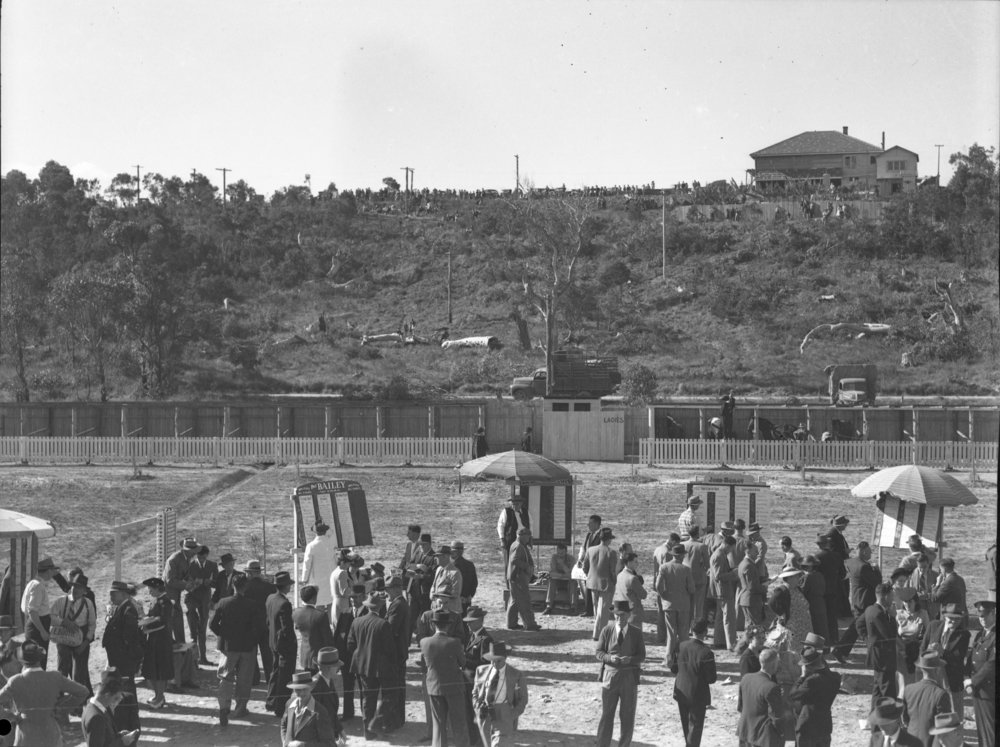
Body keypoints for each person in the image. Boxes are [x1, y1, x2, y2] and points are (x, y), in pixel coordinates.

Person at [0, 641, 89, 747]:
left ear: (22, 662)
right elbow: (83, 692)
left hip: (26, 735)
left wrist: (11, 716)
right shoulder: (55, 677)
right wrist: (61, 707)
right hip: (50, 732)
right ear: (40, 659)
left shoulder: (15, 681)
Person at [209, 571, 260, 725]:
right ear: (246, 587)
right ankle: (240, 708)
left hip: (227, 646)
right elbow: (258, 627)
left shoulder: (223, 602)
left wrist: (223, 636)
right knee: (244, 679)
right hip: (247, 647)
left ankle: (224, 707)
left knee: (225, 677)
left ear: (233, 586)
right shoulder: (252, 604)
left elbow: (212, 624)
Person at [595, 600, 646, 747]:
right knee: (607, 715)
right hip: (610, 677)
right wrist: (610, 658)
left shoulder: (636, 632)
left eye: (622, 615)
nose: (619, 618)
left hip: (629, 678)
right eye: (616, 615)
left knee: (628, 716)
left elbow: (641, 656)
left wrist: (630, 659)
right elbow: (599, 653)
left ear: (629, 615)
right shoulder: (607, 630)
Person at [347, 593, 395, 737]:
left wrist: (360, 653)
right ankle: (377, 724)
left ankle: (367, 729)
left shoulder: (357, 621)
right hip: (379, 666)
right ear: (380, 608)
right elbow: (389, 648)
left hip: (361, 664)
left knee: (367, 697)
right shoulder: (383, 624)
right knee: (388, 694)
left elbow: (350, 645)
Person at [421, 609, 470, 747]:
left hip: (434, 686)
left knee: (439, 724)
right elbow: (463, 662)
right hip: (454, 687)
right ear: (448, 625)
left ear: (432, 625)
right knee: (459, 722)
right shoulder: (454, 642)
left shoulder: (424, 642)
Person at [471, 642, 528, 747]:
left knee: (500, 744)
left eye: (499, 661)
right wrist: (477, 707)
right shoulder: (481, 670)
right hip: (484, 712)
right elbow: (475, 692)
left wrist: (512, 715)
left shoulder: (516, 675)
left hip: (504, 712)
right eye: (492, 661)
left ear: (505, 658)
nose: (495, 664)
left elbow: (523, 699)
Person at [51, 572, 97, 696]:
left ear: (84, 591)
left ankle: (77, 705)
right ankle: (59, 700)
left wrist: (86, 642)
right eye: (74, 586)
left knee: (79, 673)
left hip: (82, 640)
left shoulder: (88, 604)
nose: (76, 590)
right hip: (63, 637)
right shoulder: (61, 601)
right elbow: (51, 617)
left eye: (80, 588)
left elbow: (92, 624)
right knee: (62, 671)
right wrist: (63, 622)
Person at [673, 618, 716, 747]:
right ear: (705, 632)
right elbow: (711, 679)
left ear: (691, 630)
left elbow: (674, 668)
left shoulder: (680, 646)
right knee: (695, 729)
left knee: (686, 726)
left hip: (681, 691)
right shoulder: (707, 652)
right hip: (698, 695)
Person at [837, 541, 882, 662]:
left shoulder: (851, 562)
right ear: (863, 551)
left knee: (858, 628)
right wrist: (877, 570)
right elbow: (877, 582)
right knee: (860, 628)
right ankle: (840, 651)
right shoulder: (864, 567)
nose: (871, 554)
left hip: (857, 599)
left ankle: (841, 651)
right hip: (865, 601)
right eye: (869, 552)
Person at [921, 603, 970, 716]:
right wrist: (928, 653)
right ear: (944, 617)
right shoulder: (933, 626)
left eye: (957, 619)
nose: (954, 622)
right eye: (951, 618)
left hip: (951, 678)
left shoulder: (964, 635)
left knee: (954, 712)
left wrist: (943, 652)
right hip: (932, 676)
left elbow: (958, 658)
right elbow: (922, 648)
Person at [788, 643, 840, 747]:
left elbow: (793, 695)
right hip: (824, 725)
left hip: (807, 727)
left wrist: (802, 677)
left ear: (808, 666)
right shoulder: (836, 677)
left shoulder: (811, 681)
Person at [736, 647, 784, 747]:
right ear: (773, 664)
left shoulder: (746, 678)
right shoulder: (771, 687)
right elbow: (777, 717)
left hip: (745, 732)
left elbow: (740, 707)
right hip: (762, 738)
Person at [265, 570, 297, 718]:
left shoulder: (271, 598)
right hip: (283, 644)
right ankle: (281, 706)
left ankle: (271, 701)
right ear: (286, 587)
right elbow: (287, 629)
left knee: (275, 672)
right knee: (285, 675)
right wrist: (291, 644)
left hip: (272, 641)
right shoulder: (284, 604)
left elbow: (268, 620)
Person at [658, 544, 694, 671]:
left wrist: (664, 596)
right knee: (684, 633)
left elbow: (658, 585)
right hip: (683, 604)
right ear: (681, 556)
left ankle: (668, 659)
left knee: (671, 632)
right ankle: (684, 659)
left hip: (669, 604)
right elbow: (691, 588)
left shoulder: (664, 567)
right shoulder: (686, 569)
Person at [964, 598, 995, 747]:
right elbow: (972, 658)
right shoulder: (980, 635)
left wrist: (973, 681)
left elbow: (992, 664)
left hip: (989, 691)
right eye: (980, 616)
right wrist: (966, 675)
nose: (981, 619)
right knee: (982, 731)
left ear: (993, 614)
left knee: (990, 732)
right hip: (978, 691)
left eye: (985, 615)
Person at [139, 577, 174, 709]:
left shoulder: (165, 602)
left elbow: (163, 622)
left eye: (151, 589)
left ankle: (159, 698)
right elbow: (153, 617)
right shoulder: (157, 601)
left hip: (162, 640)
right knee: (153, 670)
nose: (149, 591)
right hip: (154, 640)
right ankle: (158, 695)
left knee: (160, 671)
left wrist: (146, 628)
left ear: (158, 588)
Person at [901, 653, 950, 746]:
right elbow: (944, 729)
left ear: (921, 669)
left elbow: (905, 720)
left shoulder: (908, 689)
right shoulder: (941, 694)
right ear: (937, 670)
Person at [20, 556, 59, 669]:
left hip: (35, 624)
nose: (52, 573)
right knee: (37, 663)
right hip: (37, 627)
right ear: (47, 571)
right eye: (52, 570)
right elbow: (33, 611)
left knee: (35, 662)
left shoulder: (34, 583)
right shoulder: (37, 586)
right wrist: (42, 631)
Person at [461, 605, 493, 744]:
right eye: (467, 621)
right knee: (468, 714)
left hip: (476, 683)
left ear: (480, 620)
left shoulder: (485, 639)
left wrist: (463, 658)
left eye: (471, 621)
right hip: (467, 681)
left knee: (476, 715)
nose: (468, 624)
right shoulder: (471, 636)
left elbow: (484, 664)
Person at [279, 670, 336, 746]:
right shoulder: (289, 703)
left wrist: (303, 745)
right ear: (293, 690)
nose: (301, 693)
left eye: (305, 689)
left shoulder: (320, 712)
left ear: (311, 688)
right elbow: (283, 724)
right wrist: (285, 742)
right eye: (298, 689)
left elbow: (330, 744)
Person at [382, 575, 410, 732]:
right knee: (398, 686)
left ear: (398, 589)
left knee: (394, 687)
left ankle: (395, 721)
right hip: (400, 651)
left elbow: (391, 630)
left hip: (395, 652)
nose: (387, 593)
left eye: (389, 589)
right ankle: (398, 719)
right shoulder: (399, 603)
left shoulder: (397, 605)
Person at [242, 559, 276, 687]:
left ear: (250, 573)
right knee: (268, 655)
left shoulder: (245, 588)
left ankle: (254, 678)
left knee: (251, 655)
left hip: (250, 626)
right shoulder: (270, 587)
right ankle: (270, 678)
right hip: (266, 625)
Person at [81, 675, 140, 747]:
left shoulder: (93, 707)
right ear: (107, 695)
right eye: (116, 698)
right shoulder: (96, 718)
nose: (118, 701)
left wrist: (119, 736)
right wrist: (122, 741)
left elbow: (105, 739)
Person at [865, 582, 899, 708]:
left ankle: (875, 726)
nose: (893, 599)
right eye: (891, 596)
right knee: (888, 692)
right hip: (884, 659)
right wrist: (893, 618)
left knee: (877, 692)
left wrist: (869, 640)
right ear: (885, 597)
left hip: (877, 657)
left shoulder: (870, 609)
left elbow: (859, 624)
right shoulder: (879, 613)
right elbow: (890, 636)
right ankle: (890, 725)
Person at [291, 585, 335, 674]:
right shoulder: (320, 615)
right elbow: (328, 639)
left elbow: (297, 627)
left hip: (305, 655)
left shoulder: (296, 612)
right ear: (313, 598)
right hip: (319, 657)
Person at [163, 537, 199, 644]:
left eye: (193, 551)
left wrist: (192, 581)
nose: (193, 554)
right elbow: (169, 580)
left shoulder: (186, 558)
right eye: (191, 552)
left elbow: (185, 574)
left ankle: (180, 645)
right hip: (168, 595)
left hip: (176, 594)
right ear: (184, 550)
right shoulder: (173, 560)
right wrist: (186, 585)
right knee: (171, 621)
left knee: (178, 621)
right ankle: (172, 646)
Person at [185, 545, 216, 666]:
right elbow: (186, 581)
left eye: (203, 557)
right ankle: (194, 661)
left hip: (205, 600)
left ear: (207, 555)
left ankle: (203, 658)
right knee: (193, 631)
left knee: (202, 630)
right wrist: (193, 584)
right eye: (199, 556)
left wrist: (209, 582)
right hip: (192, 599)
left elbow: (216, 582)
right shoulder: (190, 565)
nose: (201, 559)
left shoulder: (212, 565)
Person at [586, 527, 619, 640]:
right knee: (603, 611)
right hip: (606, 584)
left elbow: (585, 567)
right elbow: (613, 571)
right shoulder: (612, 552)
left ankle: (598, 632)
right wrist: (615, 582)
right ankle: (599, 634)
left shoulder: (590, 550)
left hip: (592, 582)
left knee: (597, 610)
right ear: (609, 539)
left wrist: (590, 576)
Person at [506, 528, 541, 631]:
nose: (529, 539)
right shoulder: (518, 546)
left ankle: (511, 623)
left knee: (515, 601)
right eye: (528, 536)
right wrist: (527, 567)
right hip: (518, 578)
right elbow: (515, 560)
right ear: (522, 535)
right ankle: (530, 624)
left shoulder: (517, 544)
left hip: (515, 577)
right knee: (524, 601)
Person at [895, 587, 930, 690]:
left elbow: (928, 632)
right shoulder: (898, 614)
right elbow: (893, 634)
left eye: (910, 602)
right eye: (905, 602)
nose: (907, 605)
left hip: (915, 649)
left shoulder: (922, 614)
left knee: (914, 678)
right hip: (901, 650)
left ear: (915, 602)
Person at [709, 535, 739, 651]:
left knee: (720, 617)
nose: (731, 551)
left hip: (721, 590)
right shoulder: (719, 555)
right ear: (727, 545)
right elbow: (718, 576)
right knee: (729, 618)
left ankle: (720, 641)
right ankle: (731, 644)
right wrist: (734, 574)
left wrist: (731, 571)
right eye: (731, 548)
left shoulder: (720, 554)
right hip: (723, 590)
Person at [301, 521, 338, 609]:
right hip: (330, 575)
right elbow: (335, 559)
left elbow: (307, 563)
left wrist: (304, 579)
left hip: (317, 577)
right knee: (330, 601)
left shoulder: (311, 546)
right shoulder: (331, 543)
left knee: (318, 601)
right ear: (325, 531)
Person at [311, 647, 343, 742]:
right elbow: (314, 718)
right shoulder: (315, 686)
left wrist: (340, 729)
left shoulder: (329, 680)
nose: (338, 668)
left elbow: (331, 711)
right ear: (329, 668)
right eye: (336, 666)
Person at [497, 496, 530, 584]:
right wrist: (502, 539)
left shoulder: (525, 512)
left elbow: (531, 524)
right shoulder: (506, 511)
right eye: (513, 504)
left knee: (523, 560)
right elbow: (500, 525)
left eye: (517, 504)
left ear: (521, 504)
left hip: (523, 540)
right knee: (509, 561)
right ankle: (509, 581)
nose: (515, 506)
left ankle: (521, 580)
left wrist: (530, 539)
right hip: (510, 540)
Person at [683, 527, 711, 626]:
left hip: (685, 578)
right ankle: (696, 626)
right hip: (699, 577)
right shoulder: (702, 546)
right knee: (698, 605)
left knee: (687, 604)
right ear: (697, 533)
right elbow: (707, 564)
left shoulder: (683, 545)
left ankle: (687, 625)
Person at [577, 515, 603, 618]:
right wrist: (581, 559)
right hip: (588, 565)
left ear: (596, 524)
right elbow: (584, 548)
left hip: (596, 565)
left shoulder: (601, 535)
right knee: (588, 586)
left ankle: (597, 610)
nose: (588, 525)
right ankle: (589, 610)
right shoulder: (589, 535)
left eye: (590, 523)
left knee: (595, 588)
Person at [614, 551, 647, 631]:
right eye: (635, 561)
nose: (637, 564)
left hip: (621, 610)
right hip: (633, 612)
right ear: (628, 563)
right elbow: (643, 595)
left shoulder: (620, 575)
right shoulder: (633, 578)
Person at [799, 555, 829, 640]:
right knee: (822, 627)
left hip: (811, 604)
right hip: (820, 603)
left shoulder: (807, 577)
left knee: (814, 627)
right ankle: (824, 648)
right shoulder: (820, 575)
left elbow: (802, 591)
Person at [544, 543, 579, 615]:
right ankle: (549, 606)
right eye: (558, 552)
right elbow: (552, 573)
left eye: (562, 553)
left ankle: (573, 607)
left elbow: (572, 574)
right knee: (551, 581)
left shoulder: (571, 559)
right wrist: (563, 575)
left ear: (566, 551)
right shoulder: (554, 557)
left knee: (573, 582)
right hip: (558, 580)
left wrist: (562, 564)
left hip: (568, 581)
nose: (560, 555)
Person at [432, 545, 464, 617]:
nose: (435, 558)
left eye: (438, 556)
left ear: (446, 556)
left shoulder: (455, 572)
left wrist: (440, 598)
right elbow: (433, 586)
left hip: (451, 611)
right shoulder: (438, 569)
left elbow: (456, 593)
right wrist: (432, 596)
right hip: (438, 609)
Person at [738, 543, 765, 627]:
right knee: (754, 627)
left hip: (747, 599)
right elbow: (752, 586)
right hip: (751, 600)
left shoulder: (744, 563)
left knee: (750, 627)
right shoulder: (749, 565)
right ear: (748, 551)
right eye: (755, 551)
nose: (757, 553)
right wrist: (764, 587)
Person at [908, 553, 939, 621]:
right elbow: (910, 591)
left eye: (924, 567)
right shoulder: (913, 575)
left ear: (928, 564)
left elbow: (938, 593)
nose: (922, 570)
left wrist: (928, 595)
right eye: (920, 568)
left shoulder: (935, 576)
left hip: (931, 607)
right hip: (918, 607)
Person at [451, 540, 479, 614]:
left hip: (455, 602)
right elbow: (474, 583)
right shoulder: (470, 564)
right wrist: (469, 596)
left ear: (455, 552)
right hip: (467, 601)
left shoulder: (451, 566)